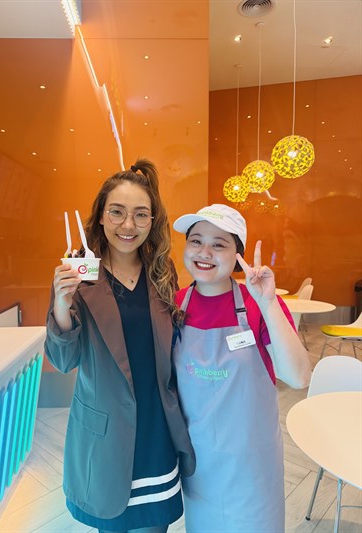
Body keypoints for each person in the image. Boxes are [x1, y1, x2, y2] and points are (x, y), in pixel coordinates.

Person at [44, 159, 195, 533]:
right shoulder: (79, 274)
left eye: (140, 214)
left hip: (156, 430)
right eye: (117, 212)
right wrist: (62, 302)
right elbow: (64, 360)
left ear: (152, 221)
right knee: (112, 522)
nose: (128, 225)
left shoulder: (161, 271)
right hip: (105, 432)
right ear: (100, 216)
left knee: (153, 525)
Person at [172, 203, 311, 533]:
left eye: (218, 244)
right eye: (196, 241)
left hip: (251, 462)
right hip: (197, 458)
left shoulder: (258, 303)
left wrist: (268, 303)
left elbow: (298, 376)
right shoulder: (175, 304)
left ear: (237, 255)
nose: (205, 252)